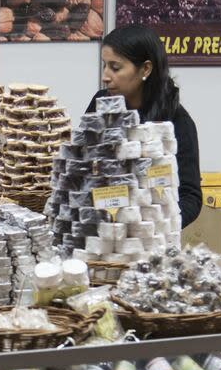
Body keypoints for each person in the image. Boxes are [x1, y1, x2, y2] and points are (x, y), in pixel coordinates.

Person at [86, 25, 202, 227]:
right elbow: (82, 163)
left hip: (150, 243)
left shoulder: (177, 122)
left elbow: (190, 197)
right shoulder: (101, 104)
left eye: (115, 67)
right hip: (101, 233)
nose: (105, 76)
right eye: (104, 65)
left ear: (145, 69)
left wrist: (156, 225)